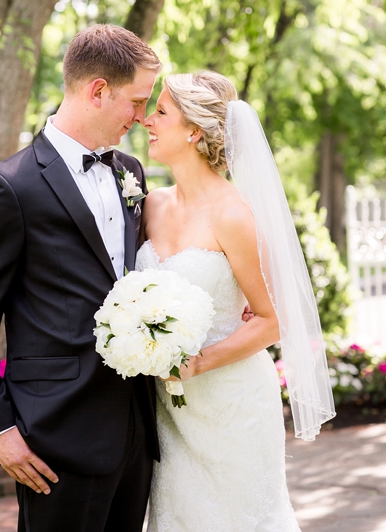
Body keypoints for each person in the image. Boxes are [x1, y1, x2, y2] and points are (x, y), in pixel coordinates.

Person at [0, 24, 162, 532]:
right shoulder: (9, 187)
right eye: (137, 101)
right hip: (56, 435)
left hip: (136, 429)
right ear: (98, 91)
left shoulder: (130, 172)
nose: (142, 116)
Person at [139, 72, 334, 530]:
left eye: (161, 111)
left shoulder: (233, 214)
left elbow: (272, 320)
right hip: (169, 411)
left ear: (193, 131)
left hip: (232, 402)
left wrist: (198, 363)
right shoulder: (150, 205)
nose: (147, 120)